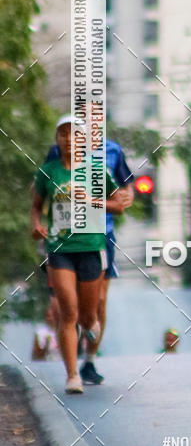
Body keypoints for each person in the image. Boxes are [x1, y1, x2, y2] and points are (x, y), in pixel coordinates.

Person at [31, 114, 125, 393]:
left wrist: (91, 200)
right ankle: (73, 375)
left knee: (87, 313)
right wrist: (36, 225)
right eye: (63, 134)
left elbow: (118, 205)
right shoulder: (48, 171)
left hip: (91, 248)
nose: (68, 139)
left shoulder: (97, 169)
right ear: (57, 139)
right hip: (60, 248)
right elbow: (36, 205)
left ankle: (91, 323)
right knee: (67, 312)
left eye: (74, 134)